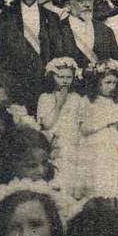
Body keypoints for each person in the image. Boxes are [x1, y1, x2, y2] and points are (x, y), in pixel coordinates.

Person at [0, 0, 66, 114]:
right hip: (17, 90)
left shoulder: (52, 17)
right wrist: (11, 86)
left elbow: (59, 53)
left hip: (47, 88)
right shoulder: (7, 17)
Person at [79, 60, 118, 204]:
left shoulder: (117, 102)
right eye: (107, 82)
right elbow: (84, 129)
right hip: (96, 149)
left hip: (114, 148)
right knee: (98, 187)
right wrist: (107, 122)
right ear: (97, 82)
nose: (111, 87)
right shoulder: (88, 101)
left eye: (114, 83)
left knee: (114, 187)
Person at [37, 57, 86, 197]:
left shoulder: (77, 98)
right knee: (56, 181)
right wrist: (59, 104)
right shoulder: (45, 97)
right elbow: (46, 124)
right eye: (60, 77)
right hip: (55, 144)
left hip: (73, 145)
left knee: (72, 181)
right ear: (52, 77)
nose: (65, 81)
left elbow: (81, 124)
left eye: (69, 77)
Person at [56, 0, 118, 69]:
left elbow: (115, 62)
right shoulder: (58, 30)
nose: (87, 5)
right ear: (68, 5)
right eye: (80, 1)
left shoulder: (105, 30)